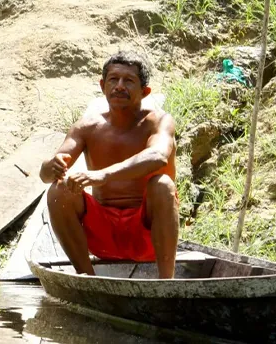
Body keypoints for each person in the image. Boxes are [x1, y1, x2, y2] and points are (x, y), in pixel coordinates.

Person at [39, 51, 179, 279]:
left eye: (129, 81)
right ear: (103, 86)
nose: (119, 86)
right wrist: (49, 166)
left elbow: (158, 156)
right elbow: (46, 175)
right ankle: (87, 278)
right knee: (59, 189)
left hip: (147, 236)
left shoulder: (159, 121)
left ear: (145, 92)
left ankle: (167, 284)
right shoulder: (88, 126)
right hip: (103, 237)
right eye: (113, 80)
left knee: (162, 185)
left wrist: (102, 175)